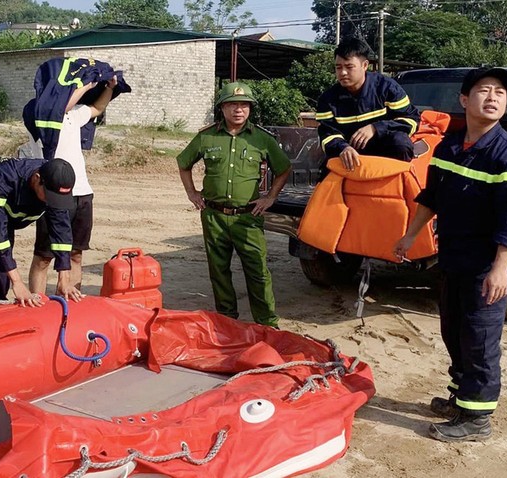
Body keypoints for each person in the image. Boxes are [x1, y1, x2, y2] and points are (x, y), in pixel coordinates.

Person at [393, 67, 507, 442]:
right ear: (464, 100)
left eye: (500, 93)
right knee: (453, 331)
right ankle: (463, 397)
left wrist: (500, 269)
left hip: (486, 266)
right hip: (454, 259)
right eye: (484, 90)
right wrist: (409, 236)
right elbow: (431, 198)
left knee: (480, 338)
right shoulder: (450, 147)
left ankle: (477, 418)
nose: (492, 97)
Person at [177, 82, 292, 327]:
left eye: (243, 105)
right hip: (214, 216)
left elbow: (283, 169)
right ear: (222, 108)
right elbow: (184, 163)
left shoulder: (262, 139)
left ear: (250, 108)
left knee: (257, 270)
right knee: (218, 271)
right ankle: (227, 321)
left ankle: (267, 323)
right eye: (232, 104)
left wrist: (270, 197)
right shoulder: (206, 137)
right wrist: (191, 193)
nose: (238, 110)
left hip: (248, 217)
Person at [28, 76, 119, 294]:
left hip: (82, 193)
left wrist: (109, 87)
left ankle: (69, 301)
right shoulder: (38, 113)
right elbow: (60, 107)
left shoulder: (72, 115)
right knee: (44, 256)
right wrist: (86, 84)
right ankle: (37, 306)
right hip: (52, 192)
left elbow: (97, 108)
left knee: (76, 253)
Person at [0, 158, 82, 305]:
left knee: (0, 276)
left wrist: (64, 280)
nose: (52, 202)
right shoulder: (3, 177)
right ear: (37, 179)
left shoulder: (54, 183)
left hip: (4, 220)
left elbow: (61, 231)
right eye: (50, 196)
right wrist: (18, 282)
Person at [316, 37, 421, 172]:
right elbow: (327, 134)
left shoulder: (387, 88)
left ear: (365, 65)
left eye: (349, 67)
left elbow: (412, 120)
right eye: (338, 67)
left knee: (400, 142)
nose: (342, 73)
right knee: (325, 174)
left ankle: (398, 185)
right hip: (350, 154)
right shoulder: (328, 99)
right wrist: (343, 147)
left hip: (386, 150)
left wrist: (376, 128)